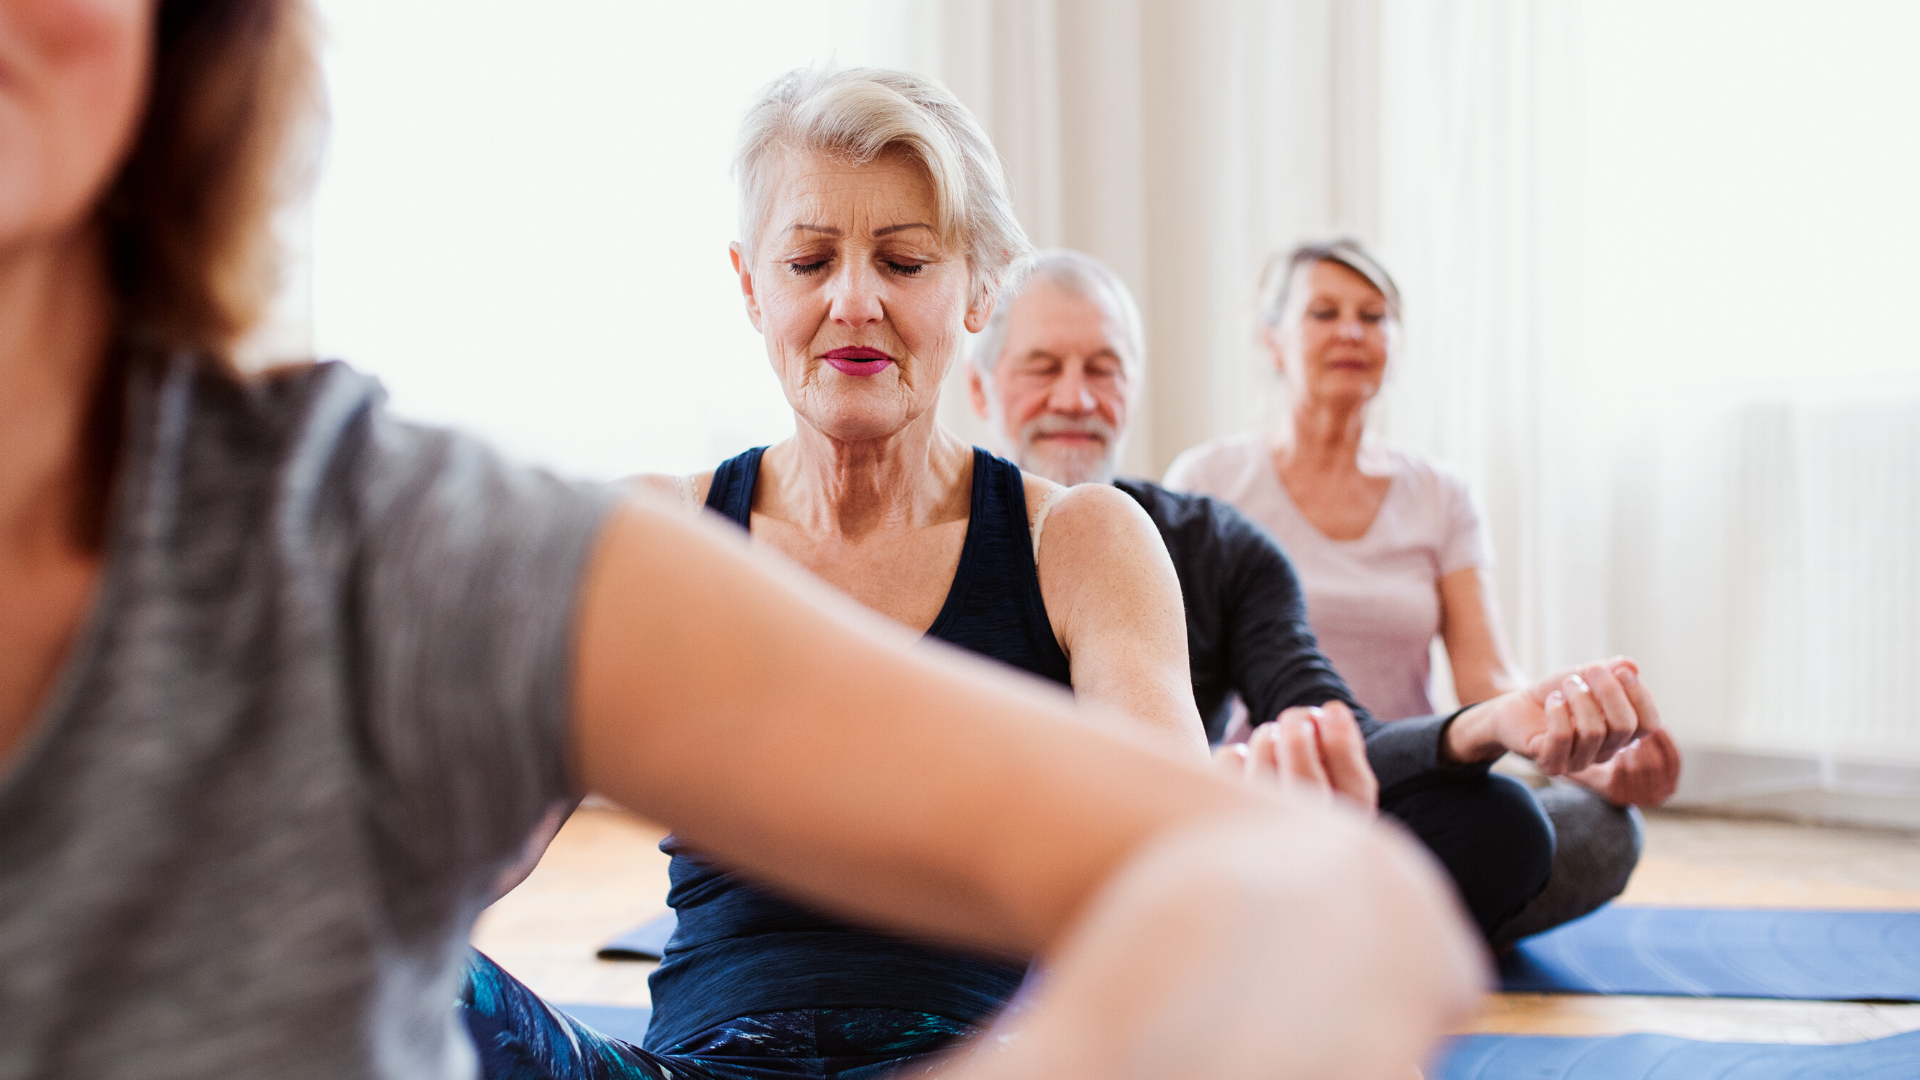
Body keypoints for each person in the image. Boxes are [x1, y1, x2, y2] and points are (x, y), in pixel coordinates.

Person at [0, 7, 1481, 1080]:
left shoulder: (1082, 537)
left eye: (901, 263)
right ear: (749, 287)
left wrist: (1272, 837)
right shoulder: (667, 522)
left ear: (973, 295)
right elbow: (474, 860)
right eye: (810, 260)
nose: (853, 303)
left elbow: (1173, 826)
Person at [969, 247, 1670, 945]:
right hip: (986, 858)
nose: (1076, 398)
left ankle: (1278, 939)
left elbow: (1338, 724)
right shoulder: (929, 534)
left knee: (1510, 823)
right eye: (1042, 368)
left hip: (1223, 835)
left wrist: (1487, 724)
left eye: (1103, 370)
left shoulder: (1219, 542)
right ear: (979, 390)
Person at [1165, 239, 1684, 944]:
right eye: (1325, 312)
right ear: (1272, 339)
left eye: (1374, 316)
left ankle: (1347, 926)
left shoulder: (1440, 494)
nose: (1352, 331)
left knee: (1603, 833)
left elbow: (1487, 678)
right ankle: (1410, 924)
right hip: (1273, 795)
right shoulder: (1208, 481)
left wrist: (1594, 760)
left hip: (1410, 783)